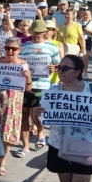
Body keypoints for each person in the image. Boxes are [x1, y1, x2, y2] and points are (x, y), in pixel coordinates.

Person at [0, 37, 32, 176]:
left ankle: (3, 162)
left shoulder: (23, 65)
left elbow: (28, 89)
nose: (10, 51)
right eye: (7, 48)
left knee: (7, 133)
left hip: (13, 104)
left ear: (19, 50)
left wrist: (28, 78)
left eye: (13, 49)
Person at [16, 20, 61, 158]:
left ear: (45, 33)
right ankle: (25, 147)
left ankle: (41, 133)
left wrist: (55, 68)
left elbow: (58, 65)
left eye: (39, 33)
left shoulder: (52, 47)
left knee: (37, 115)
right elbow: (18, 63)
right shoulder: (24, 46)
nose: (36, 35)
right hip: (25, 85)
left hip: (43, 85)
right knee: (23, 115)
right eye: (34, 32)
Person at [45, 19, 65, 84]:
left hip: (54, 76)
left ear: (53, 31)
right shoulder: (39, 43)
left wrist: (55, 67)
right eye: (44, 29)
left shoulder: (58, 44)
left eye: (48, 29)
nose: (46, 31)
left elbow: (62, 61)